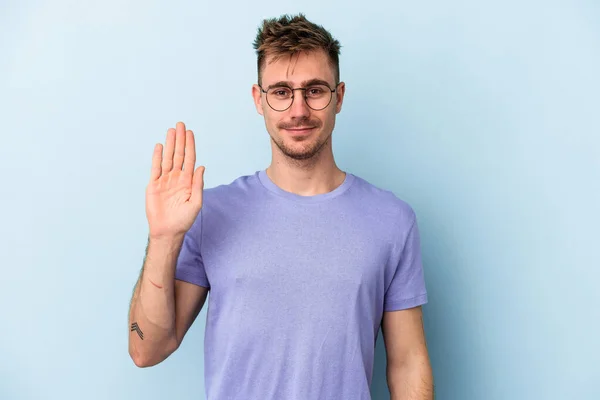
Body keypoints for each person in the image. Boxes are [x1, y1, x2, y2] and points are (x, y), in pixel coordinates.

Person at [128, 13, 434, 400]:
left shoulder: (393, 221)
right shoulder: (211, 214)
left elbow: (407, 363)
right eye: (281, 91)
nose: (299, 110)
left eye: (315, 90)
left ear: (339, 97)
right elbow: (147, 349)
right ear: (260, 100)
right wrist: (163, 238)